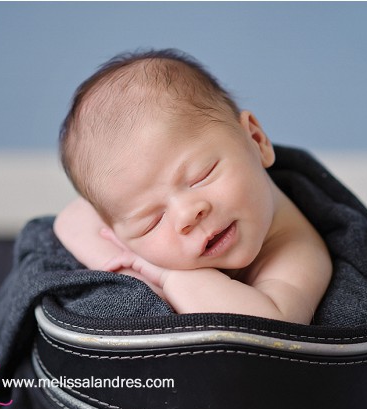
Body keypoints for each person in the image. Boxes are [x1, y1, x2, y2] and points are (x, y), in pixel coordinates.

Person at [53, 49, 332, 324]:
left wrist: (167, 276)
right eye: (151, 221)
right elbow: (70, 221)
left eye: (202, 175)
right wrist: (127, 265)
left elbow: (269, 326)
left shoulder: (297, 250)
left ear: (256, 140)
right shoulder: (122, 214)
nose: (187, 214)